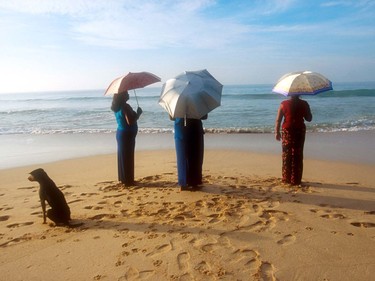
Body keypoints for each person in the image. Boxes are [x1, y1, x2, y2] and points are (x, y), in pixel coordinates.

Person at [275, 95, 312, 186]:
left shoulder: (283, 104)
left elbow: (278, 120)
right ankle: (296, 180)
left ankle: (286, 178)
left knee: (286, 154)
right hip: (299, 130)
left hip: (287, 130)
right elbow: (309, 119)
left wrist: (277, 132)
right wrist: (306, 110)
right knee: (298, 154)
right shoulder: (304, 104)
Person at [111, 91, 142, 186]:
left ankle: (124, 179)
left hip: (122, 133)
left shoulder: (117, 107)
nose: (128, 94)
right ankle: (129, 181)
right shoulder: (125, 106)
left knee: (123, 156)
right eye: (126, 93)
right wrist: (138, 114)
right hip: (127, 134)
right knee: (128, 157)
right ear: (122, 96)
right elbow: (130, 121)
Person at [172, 115, 207, 190]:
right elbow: (204, 116)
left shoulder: (176, 103)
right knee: (196, 154)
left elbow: (171, 117)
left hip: (180, 126)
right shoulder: (197, 103)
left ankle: (183, 182)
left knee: (182, 155)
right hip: (195, 125)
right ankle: (194, 182)